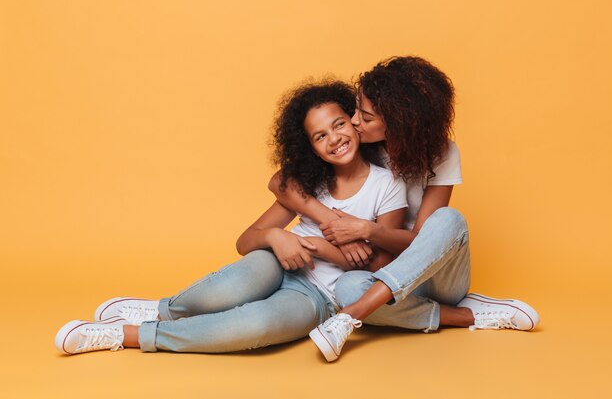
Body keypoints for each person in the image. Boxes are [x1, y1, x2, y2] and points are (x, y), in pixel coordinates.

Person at [54, 80, 409, 355]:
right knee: (228, 288)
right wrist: (275, 238)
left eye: (340, 124)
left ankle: (126, 334)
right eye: (320, 135)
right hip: (277, 265)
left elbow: (380, 267)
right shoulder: (307, 183)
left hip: (321, 298)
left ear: (356, 123)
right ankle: (161, 309)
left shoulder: (387, 185)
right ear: (309, 146)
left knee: (254, 327)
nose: (335, 138)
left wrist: (315, 247)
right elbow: (245, 242)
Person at [269, 56, 540, 362]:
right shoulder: (357, 143)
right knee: (346, 288)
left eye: (366, 117)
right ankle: (467, 315)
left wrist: (367, 230)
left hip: (436, 276)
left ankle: (353, 315)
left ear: (398, 123)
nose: (355, 120)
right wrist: (329, 218)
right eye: (357, 109)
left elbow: (426, 241)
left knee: (448, 219)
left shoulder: (443, 154)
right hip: (380, 271)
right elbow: (282, 180)